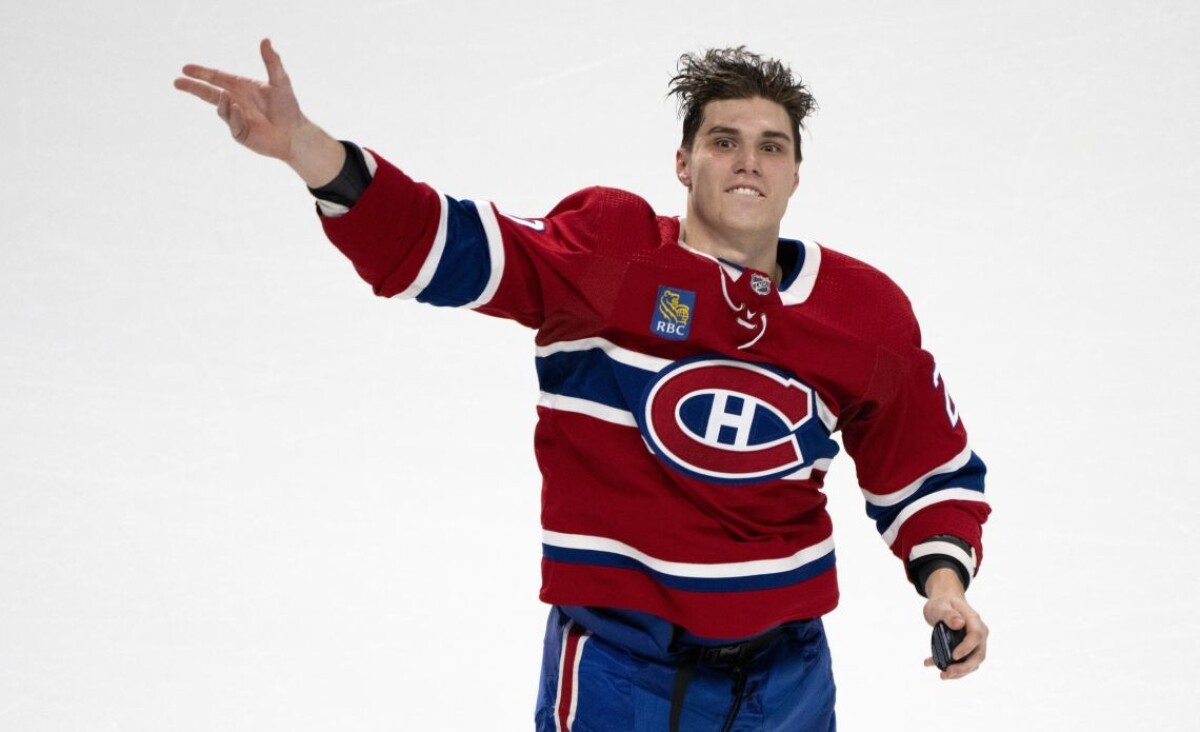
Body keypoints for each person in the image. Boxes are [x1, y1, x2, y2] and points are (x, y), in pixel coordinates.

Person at [175, 39, 991, 731]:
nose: (749, 159)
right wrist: (307, 149)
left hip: (788, 682)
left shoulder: (862, 312)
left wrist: (945, 589)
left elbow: (925, 467)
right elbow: (439, 241)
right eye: (724, 140)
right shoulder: (612, 257)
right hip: (621, 675)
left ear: (796, 173)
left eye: (772, 146)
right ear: (683, 162)